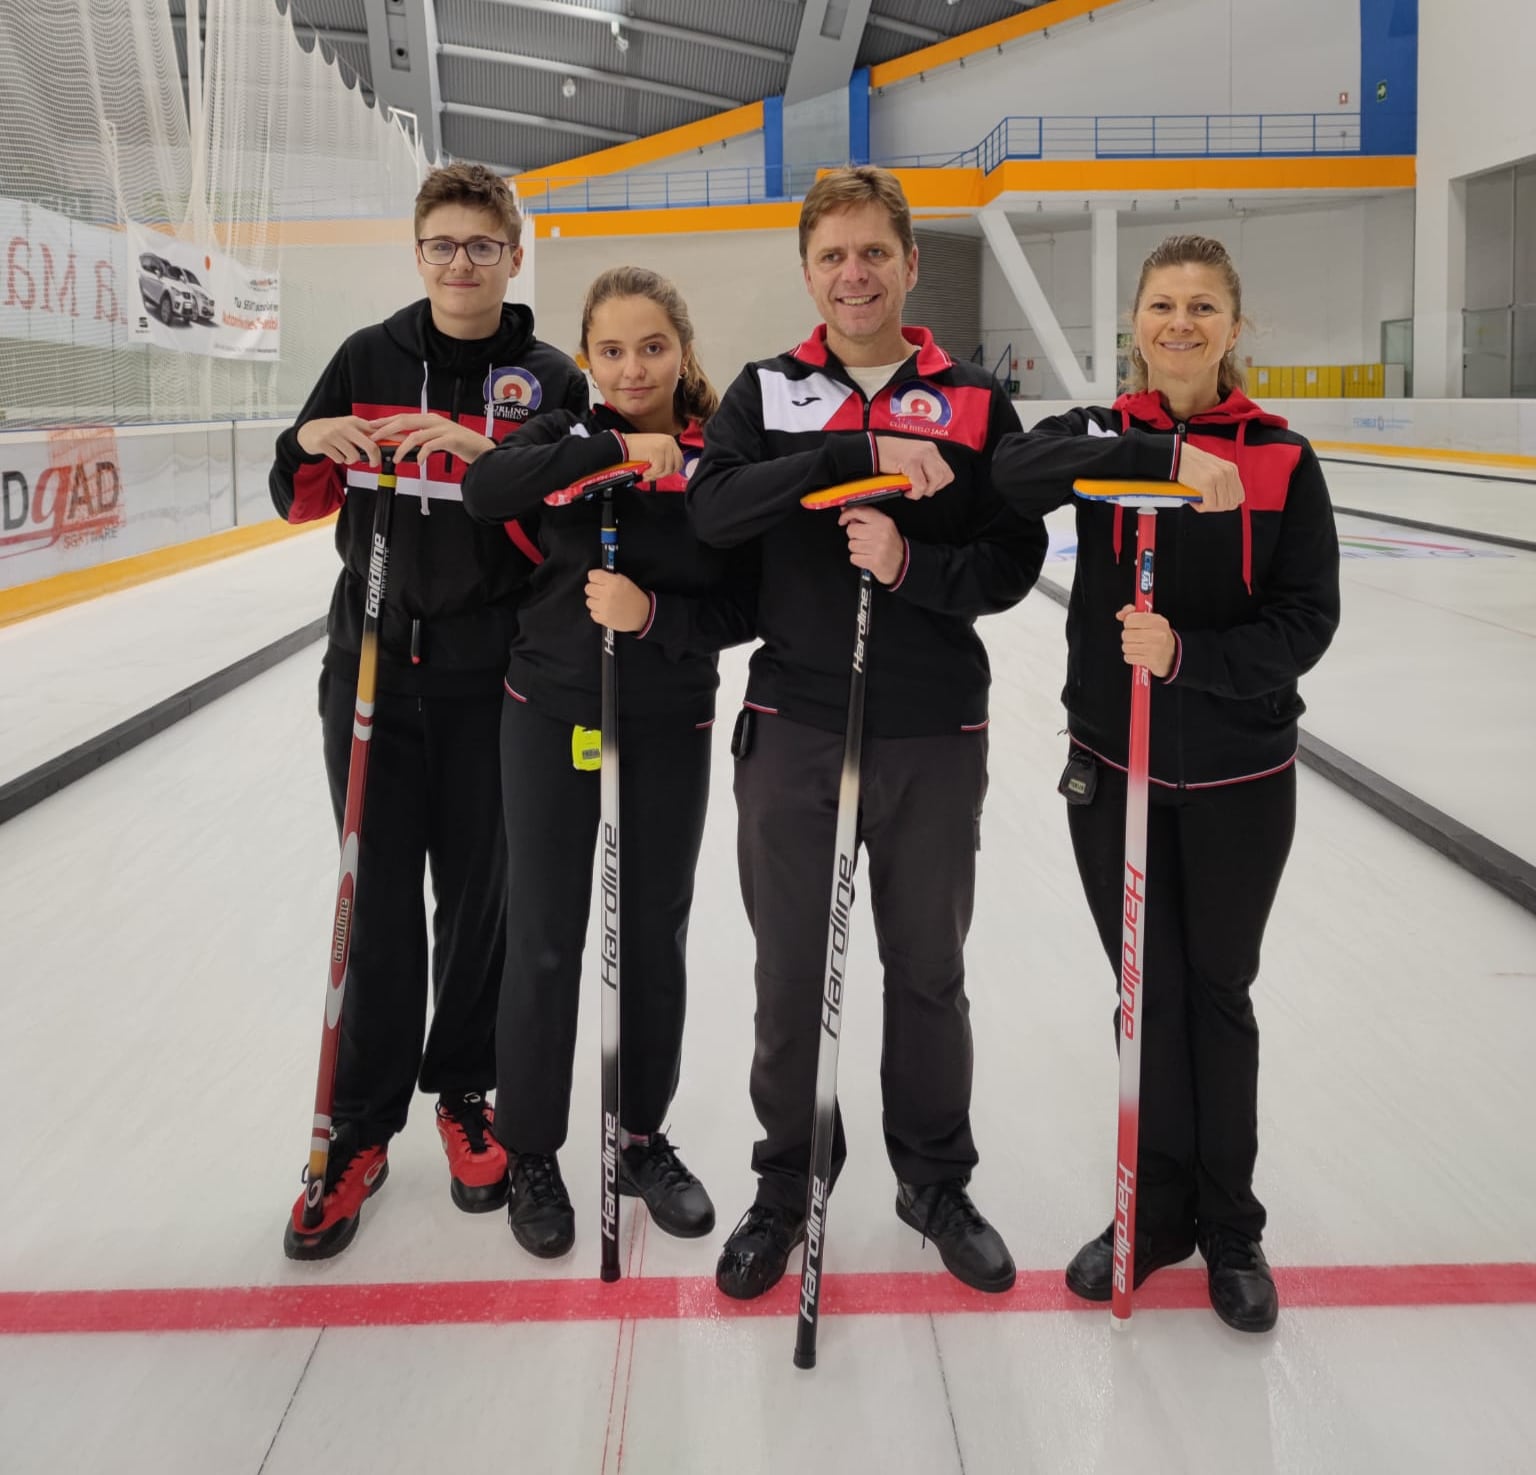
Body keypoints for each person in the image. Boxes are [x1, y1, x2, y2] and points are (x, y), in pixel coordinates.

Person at [687, 166, 1046, 1300]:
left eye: (874, 253)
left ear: (910, 263)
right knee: (793, 973)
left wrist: (914, 564)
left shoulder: (978, 398)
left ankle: (935, 1175)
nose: (855, 274)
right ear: (808, 270)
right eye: (833, 255)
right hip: (795, 721)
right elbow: (714, 509)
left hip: (933, 728)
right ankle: (789, 1178)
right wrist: (852, 460)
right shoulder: (764, 390)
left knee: (929, 969)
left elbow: (1014, 559)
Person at [990, 234, 1341, 1332]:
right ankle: (1153, 1211)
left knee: (1215, 994)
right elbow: (1008, 476)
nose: (1179, 324)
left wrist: (1191, 657)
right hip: (1114, 764)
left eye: (1201, 306)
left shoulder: (1284, 457)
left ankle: (1230, 1221)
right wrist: (1164, 465)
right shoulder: (1101, 438)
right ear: (1134, 325)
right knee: (1145, 1000)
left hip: (1240, 771)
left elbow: (1308, 618)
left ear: (1235, 326)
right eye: (1160, 305)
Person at [271, 162, 588, 1259]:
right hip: (368, 669)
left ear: (514, 253)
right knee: (376, 899)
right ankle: (360, 1126)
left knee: (480, 900)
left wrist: (494, 456)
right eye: (443, 246)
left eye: (482, 247)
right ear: (418, 253)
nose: (462, 264)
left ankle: (463, 1086)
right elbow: (293, 484)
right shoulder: (366, 355)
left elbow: (568, 521)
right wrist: (311, 440)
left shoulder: (548, 377)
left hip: (493, 677)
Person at [461, 265, 754, 1259]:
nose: (633, 367)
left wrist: (658, 616)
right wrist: (611, 451)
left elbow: (750, 600)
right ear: (588, 358)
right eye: (613, 350)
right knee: (544, 940)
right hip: (549, 711)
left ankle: (638, 1134)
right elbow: (482, 486)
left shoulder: (720, 452)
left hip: (668, 717)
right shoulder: (558, 434)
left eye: (653, 347)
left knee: (652, 936)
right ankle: (532, 1148)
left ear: (682, 350)